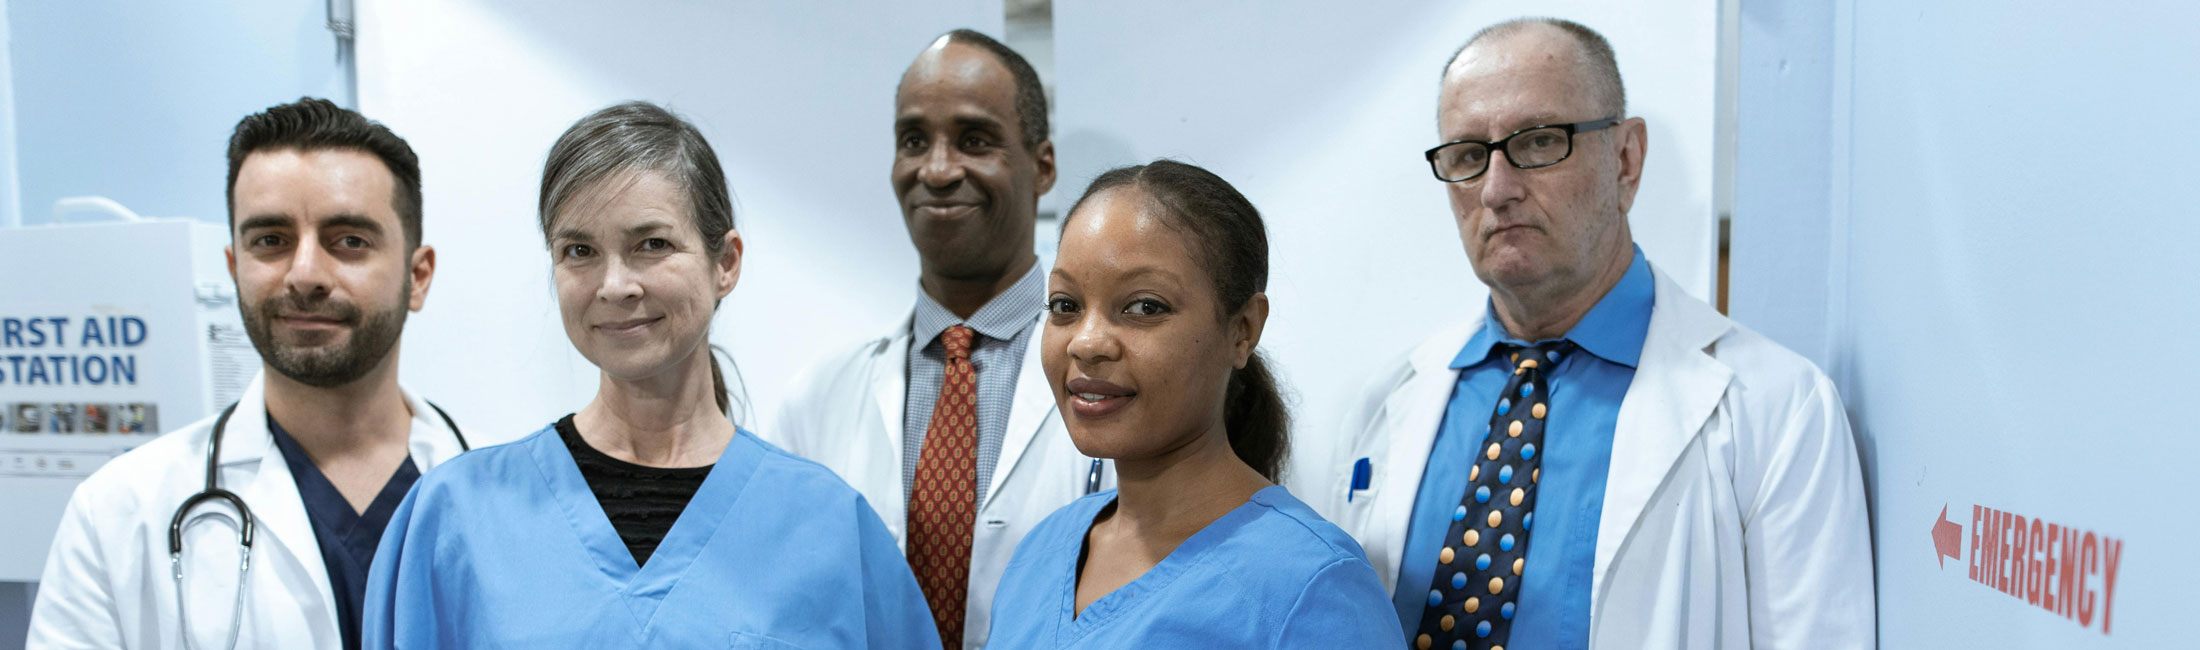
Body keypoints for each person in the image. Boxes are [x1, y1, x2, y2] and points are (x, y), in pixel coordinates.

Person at [1311, 18, 1875, 649]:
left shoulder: (1778, 409)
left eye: (1539, 141)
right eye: (1469, 156)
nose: (1496, 190)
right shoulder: (1390, 402)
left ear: (1627, 160)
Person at [361, 101, 935, 648]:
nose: (614, 286)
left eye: (651, 244)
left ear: (726, 263)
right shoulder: (454, 516)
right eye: (579, 251)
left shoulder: (830, 529)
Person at [28, 97, 469, 650]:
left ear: (418, 275)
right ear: (235, 267)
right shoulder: (119, 512)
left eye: (349, 241)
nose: (305, 274)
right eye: (271, 241)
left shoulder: (509, 498)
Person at [766, 29, 1110, 649]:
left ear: (1043, 165)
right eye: (914, 141)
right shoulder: (815, 402)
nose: (939, 169)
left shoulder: (1115, 378)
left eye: (975, 140)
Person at [988, 160, 1404, 648]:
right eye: (1065, 305)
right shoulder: (1041, 553)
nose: (1086, 342)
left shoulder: (1314, 588)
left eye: (1145, 306)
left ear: (1242, 330)